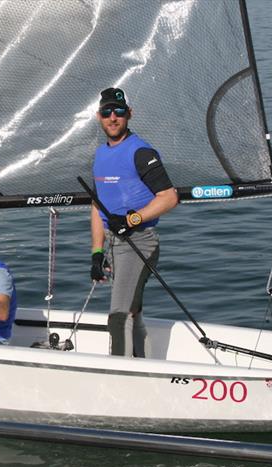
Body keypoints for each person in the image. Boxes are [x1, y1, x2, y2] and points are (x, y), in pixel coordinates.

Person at [90, 87, 178, 357]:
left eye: (118, 111)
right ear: (99, 116)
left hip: (141, 241)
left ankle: (122, 380)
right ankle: (144, 367)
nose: (112, 117)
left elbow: (169, 197)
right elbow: (97, 207)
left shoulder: (140, 152)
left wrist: (133, 219)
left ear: (129, 114)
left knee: (118, 316)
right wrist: (96, 252)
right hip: (114, 245)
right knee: (132, 309)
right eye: (107, 112)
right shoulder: (100, 155)